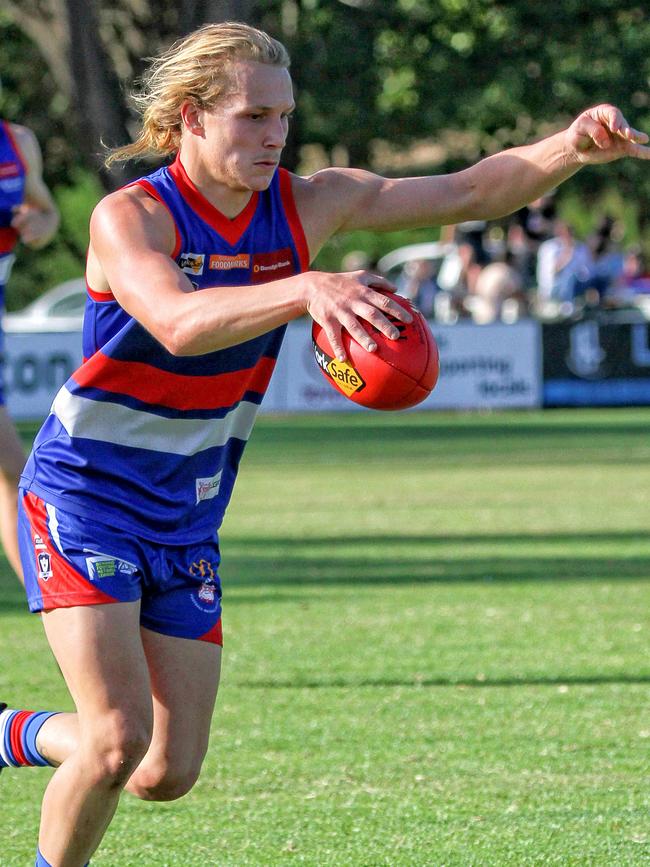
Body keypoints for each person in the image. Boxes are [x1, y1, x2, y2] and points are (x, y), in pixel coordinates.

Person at [0, 21, 648, 867]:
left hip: (186, 512)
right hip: (85, 495)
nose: (274, 136)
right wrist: (302, 286)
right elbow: (178, 322)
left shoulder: (308, 203)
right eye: (252, 117)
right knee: (118, 741)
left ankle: (17, 731)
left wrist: (568, 146)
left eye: (283, 117)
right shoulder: (135, 217)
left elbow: (470, 191)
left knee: (165, 769)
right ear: (191, 118)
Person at [0, 119, 59, 583]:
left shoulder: (17, 141)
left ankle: (48, 605)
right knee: (15, 473)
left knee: (10, 478)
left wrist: (36, 224)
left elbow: (45, 215)